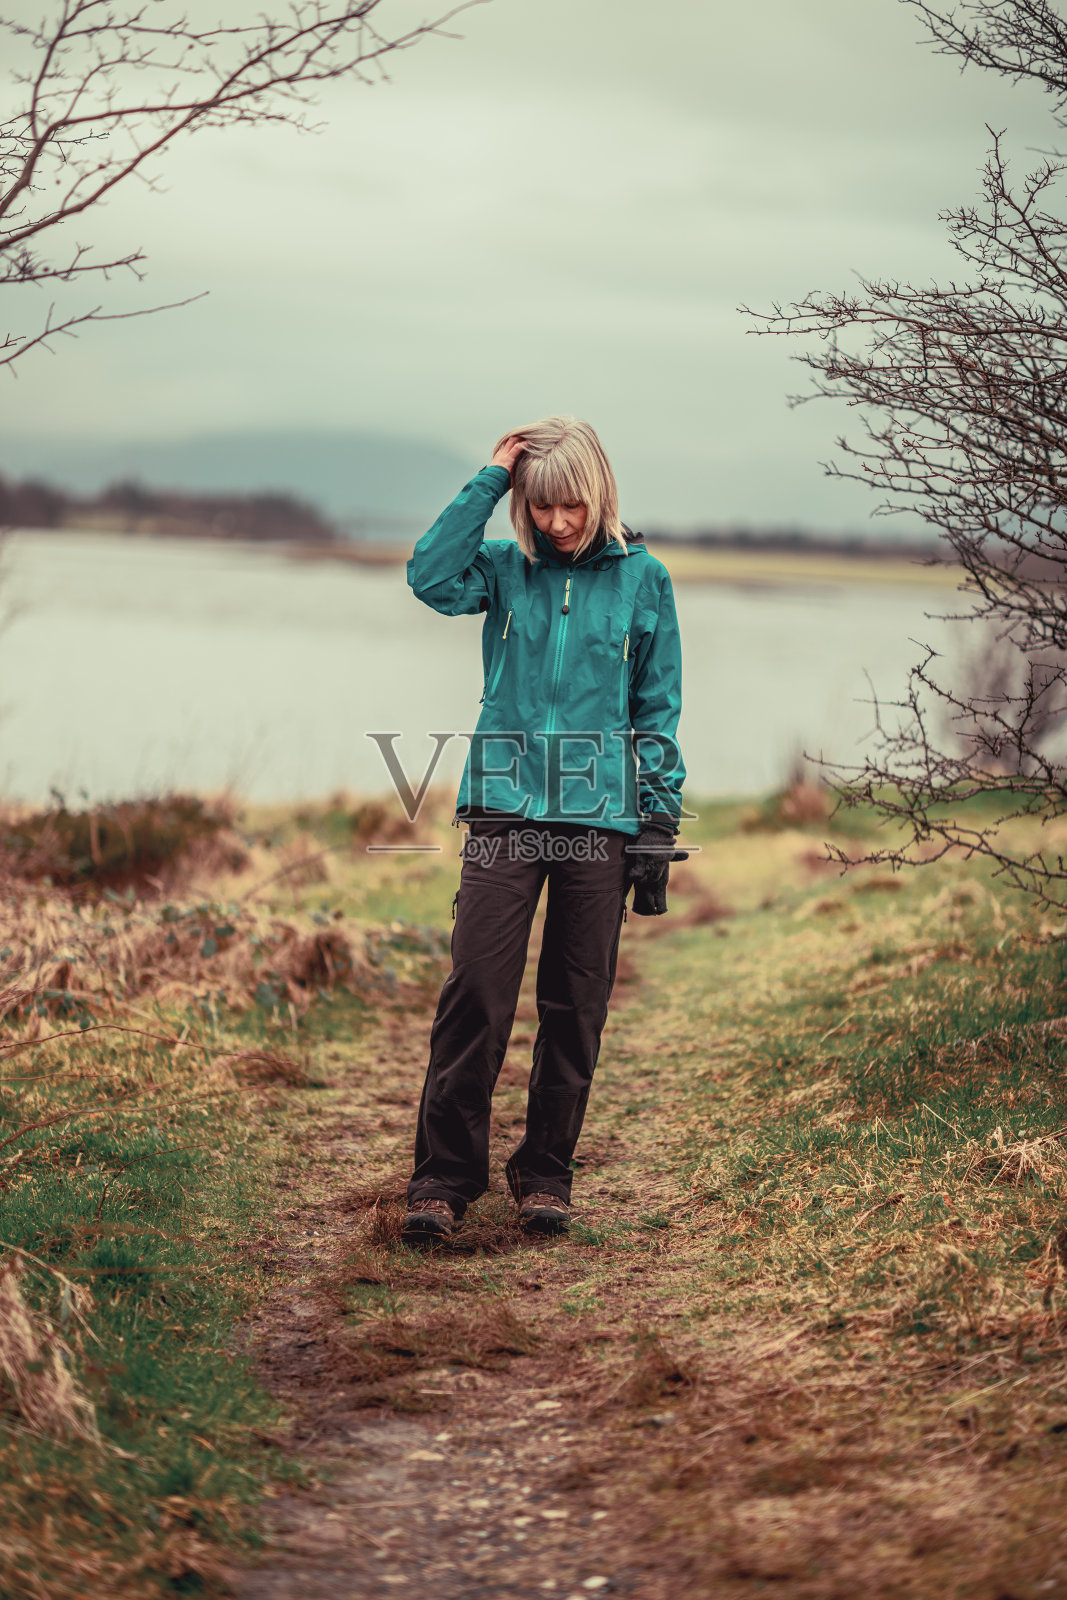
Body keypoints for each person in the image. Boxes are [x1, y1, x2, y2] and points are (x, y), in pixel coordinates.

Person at [401, 416, 687, 1242]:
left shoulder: (645, 581)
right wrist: (491, 479)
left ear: (597, 494)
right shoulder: (501, 569)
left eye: (569, 506)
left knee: (575, 1003)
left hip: (600, 816)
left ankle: (544, 1175)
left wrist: (656, 821)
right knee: (477, 996)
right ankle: (442, 1180)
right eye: (540, 506)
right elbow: (426, 574)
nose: (556, 523)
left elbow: (656, 707)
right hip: (504, 807)